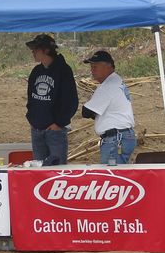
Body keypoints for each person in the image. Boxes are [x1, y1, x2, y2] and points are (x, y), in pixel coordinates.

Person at [25, 34, 79, 165]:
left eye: (36, 49)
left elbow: (71, 101)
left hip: (55, 131)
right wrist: (31, 118)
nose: (33, 52)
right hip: (37, 129)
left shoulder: (63, 71)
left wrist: (58, 123)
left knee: (57, 169)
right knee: (39, 168)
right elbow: (31, 97)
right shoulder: (36, 71)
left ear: (46, 50)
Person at [81, 50, 137, 164]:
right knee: (119, 172)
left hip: (115, 138)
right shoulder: (117, 80)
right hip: (122, 135)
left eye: (95, 66)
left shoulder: (108, 85)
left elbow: (86, 112)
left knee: (111, 173)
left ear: (108, 66)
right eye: (91, 67)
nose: (92, 70)